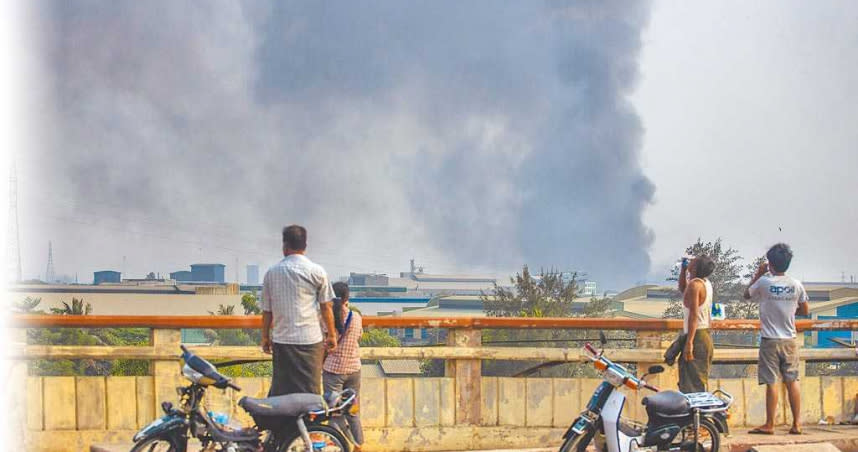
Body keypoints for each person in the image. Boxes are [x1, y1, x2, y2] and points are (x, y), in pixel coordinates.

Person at [261, 225, 337, 396]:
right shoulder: (317, 271)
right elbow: (326, 307)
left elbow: (267, 311)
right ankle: (310, 422)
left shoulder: (272, 273)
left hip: (283, 340)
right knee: (310, 389)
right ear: (305, 246)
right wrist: (331, 334)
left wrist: (265, 336)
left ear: (285, 246)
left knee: (282, 391)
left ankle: (284, 423)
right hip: (310, 340)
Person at [746, 243, 809, 435]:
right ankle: (797, 424)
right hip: (790, 339)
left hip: (769, 340)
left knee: (771, 382)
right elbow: (805, 310)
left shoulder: (764, 283)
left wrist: (758, 273)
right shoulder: (796, 284)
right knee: (792, 380)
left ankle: (770, 424)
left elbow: (746, 294)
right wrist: (788, 308)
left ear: (770, 264)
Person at [322, 282, 364, 451]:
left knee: (334, 411)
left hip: (333, 371)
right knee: (352, 411)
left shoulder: (327, 318)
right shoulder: (357, 317)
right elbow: (358, 337)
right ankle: (358, 446)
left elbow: (323, 342)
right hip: (354, 369)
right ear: (347, 298)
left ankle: (336, 445)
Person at [677, 255, 716, 393]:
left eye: (695, 260)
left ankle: (696, 413)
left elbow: (694, 316)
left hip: (697, 336)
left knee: (692, 385)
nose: (691, 259)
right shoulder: (704, 283)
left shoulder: (695, 285)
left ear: (695, 267)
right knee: (695, 380)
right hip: (703, 335)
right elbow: (684, 290)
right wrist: (683, 271)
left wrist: (689, 343)